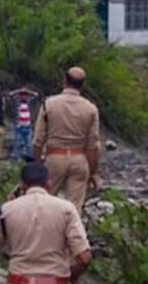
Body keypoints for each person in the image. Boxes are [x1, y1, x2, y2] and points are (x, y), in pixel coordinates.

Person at [33, 67, 100, 213]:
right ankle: (71, 234)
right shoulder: (90, 109)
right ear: (82, 85)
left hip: (54, 157)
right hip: (78, 158)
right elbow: (93, 145)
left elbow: (38, 140)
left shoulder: (49, 104)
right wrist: (93, 172)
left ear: (64, 81)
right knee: (74, 209)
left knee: (45, 202)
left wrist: (37, 163)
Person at [8, 87, 40, 162]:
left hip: (28, 127)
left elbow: (37, 95)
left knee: (28, 144)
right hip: (19, 126)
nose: (23, 96)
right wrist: (18, 91)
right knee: (17, 143)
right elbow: (10, 95)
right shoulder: (17, 102)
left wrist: (29, 91)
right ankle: (16, 159)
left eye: (25, 94)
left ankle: (29, 159)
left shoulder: (30, 102)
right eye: (22, 94)